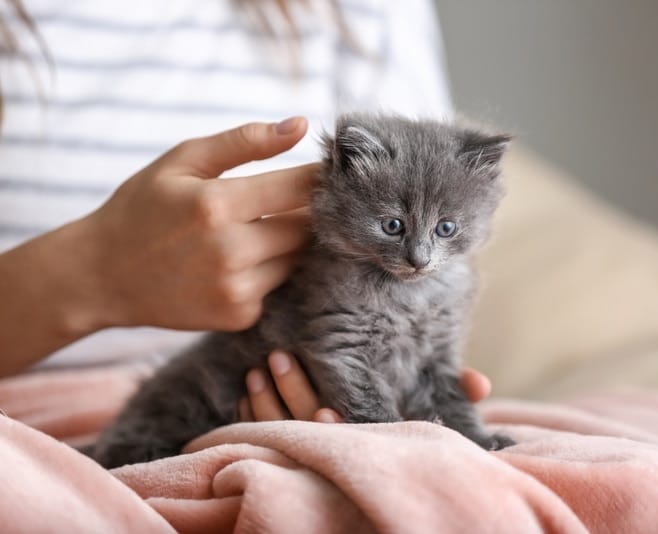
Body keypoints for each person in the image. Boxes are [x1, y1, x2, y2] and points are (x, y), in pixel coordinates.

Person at [0, 1, 490, 425]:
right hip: (36, 416)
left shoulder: (358, 10)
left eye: (442, 231)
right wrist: (91, 272)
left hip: (299, 416)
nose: (421, 255)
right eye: (393, 227)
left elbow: (438, 165)